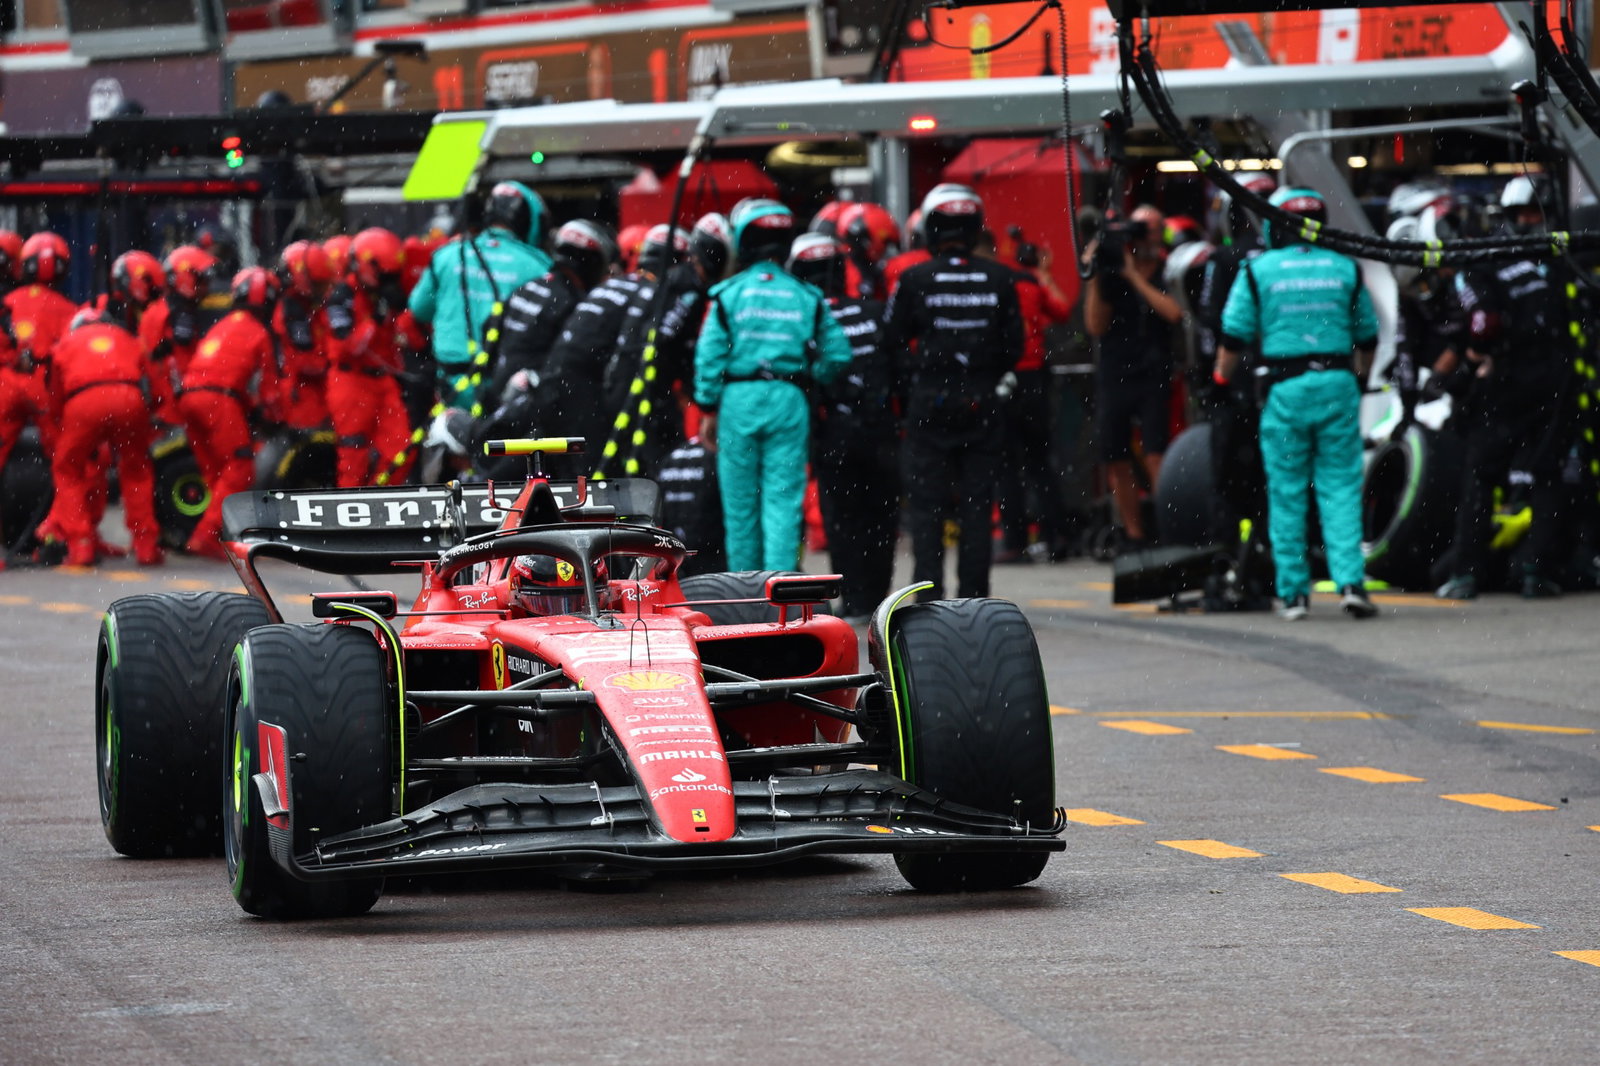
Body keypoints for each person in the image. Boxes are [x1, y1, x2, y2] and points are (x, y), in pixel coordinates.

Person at [1216, 186, 1379, 620]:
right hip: (1338, 384)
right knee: (1341, 486)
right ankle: (1351, 583)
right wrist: (1355, 379)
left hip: (1285, 389)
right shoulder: (1346, 267)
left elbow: (1233, 336)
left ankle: (1293, 593)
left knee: (1287, 492)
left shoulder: (1259, 270)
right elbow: (1368, 336)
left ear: (1273, 223)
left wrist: (1218, 381)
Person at [1434, 176, 1578, 600]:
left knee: (1488, 476)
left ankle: (1472, 574)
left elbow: (1482, 323)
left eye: (1535, 213)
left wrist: (1479, 359)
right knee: (1542, 475)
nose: (1530, 221)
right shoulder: (1559, 255)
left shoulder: (1485, 260)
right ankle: (1529, 571)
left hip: (1515, 380)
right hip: (1550, 377)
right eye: (1525, 214)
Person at [694, 200, 851, 572]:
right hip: (789, 398)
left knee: (740, 507)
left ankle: (745, 599)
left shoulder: (727, 294)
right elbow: (839, 354)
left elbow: (709, 357)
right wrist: (813, 377)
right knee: (783, 503)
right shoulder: (805, 294)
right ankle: (780, 595)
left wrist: (707, 406)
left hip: (737, 400)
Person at [886, 184, 1022, 600]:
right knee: (977, 508)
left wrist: (917, 382)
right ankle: (974, 599)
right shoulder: (1001, 277)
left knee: (927, 509)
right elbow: (1014, 346)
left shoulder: (913, 278)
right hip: (982, 404)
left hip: (930, 403)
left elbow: (889, 345)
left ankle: (928, 600)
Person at [788, 232, 899, 621]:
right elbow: (896, 369)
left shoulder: (803, 322)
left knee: (843, 518)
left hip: (833, 432)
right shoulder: (874, 312)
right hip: (881, 432)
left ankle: (853, 599)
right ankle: (877, 598)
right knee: (880, 517)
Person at [46, 271, 165, 567]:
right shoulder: (126, 337)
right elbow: (152, 382)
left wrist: (65, 428)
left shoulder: (66, 344)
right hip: (130, 398)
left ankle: (81, 543)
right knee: (136, 469)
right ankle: (146, 545)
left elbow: (54, 396)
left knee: (67, 469)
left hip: (83, 402)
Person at [1083, 203, 1184, 549]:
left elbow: (1173, 313)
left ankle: (1169, 529)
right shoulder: (1111, 272)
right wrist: (1097, 274)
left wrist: (1134, 276)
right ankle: (1134, 535)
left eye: (1151, 230)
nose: (1145, 238)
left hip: (1153, 371)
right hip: (1116, 372)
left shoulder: (1167, 270)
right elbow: (1095, 325)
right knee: (1116, 456)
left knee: (1157, 454)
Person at [408, 181, 553, 418]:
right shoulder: (538, 266)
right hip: (505, 392)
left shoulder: (447, 255)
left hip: (451, 390)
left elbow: (419, 309)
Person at [178, 267, 282, 557]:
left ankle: (218, 530)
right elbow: (268, 389)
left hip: (189, 399)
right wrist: (272, 418)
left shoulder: (222, 324)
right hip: (219, 401)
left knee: (216, 473)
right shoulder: (259, 332)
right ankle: (205, 536)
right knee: (240, 467)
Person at [994, 236, 1074, 563]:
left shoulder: (994, 283)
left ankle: (1015, 542)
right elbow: (1062, 310)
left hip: (1003, 379)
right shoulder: (1031, 283)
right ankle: (1055, 537)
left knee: (1006, 467)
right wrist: (1045, 274)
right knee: (1040, 464)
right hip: (1033, 381)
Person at [327, 228, 415, 487]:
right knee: (353, 460)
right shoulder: (342, 296)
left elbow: (400, 336)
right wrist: (374, 319)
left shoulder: (386, 295)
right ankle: (350, 519)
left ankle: (379, 501)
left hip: (383, 381)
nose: (390, 282)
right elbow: (348, 347)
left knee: (403, 452)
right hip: (350, 382)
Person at [1, 233, 78, 478]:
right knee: (64, 458)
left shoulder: (7, 302)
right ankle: (68, 514)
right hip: (45, 384)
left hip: (7, 380)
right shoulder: (69, 310)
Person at [272, 240, 335, 431]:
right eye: (318, 285)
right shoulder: (293, 311)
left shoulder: (305, 306)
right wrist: (336, 365)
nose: (323, 291)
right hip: (303, 397)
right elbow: (306, 362)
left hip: (312, 393)